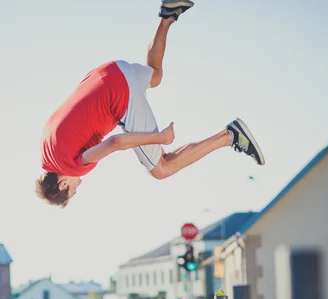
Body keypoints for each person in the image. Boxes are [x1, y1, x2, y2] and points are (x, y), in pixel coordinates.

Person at [35, 0, 265, 208]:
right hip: (109, 71)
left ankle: (230, 136)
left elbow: (116, 142)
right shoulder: (47, 148)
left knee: (161, 169)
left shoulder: (71, 166)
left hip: (119, 96)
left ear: (63, 183)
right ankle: (168, 15)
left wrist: (160, 138)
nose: (80, 182)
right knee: (154, 76)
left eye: (75, 188)